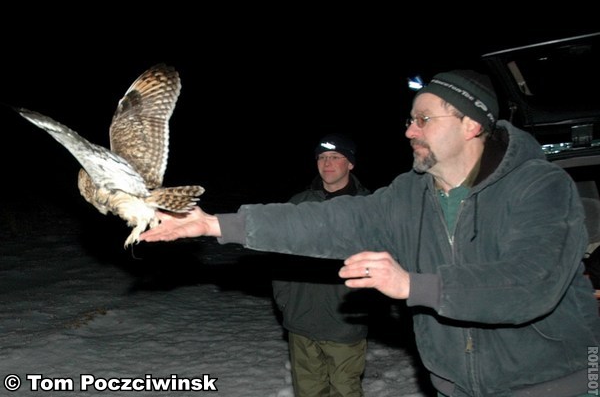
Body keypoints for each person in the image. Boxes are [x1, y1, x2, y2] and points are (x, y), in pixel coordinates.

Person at [140, 70, 600, 396]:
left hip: (560, 381)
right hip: (458, 386)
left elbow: (530, 283)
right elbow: (327, 220)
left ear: (471, 124)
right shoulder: (409, 195)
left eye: (424, 119)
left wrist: (411, 285)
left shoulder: (539, 186)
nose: (409, 131)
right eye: (409, 120)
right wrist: (213, 223)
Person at [272, 134, 371, 397]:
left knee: (345, 390)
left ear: (350, 163)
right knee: (308, 391)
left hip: (345, 322)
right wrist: (285, 299)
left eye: (335, 157)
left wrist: (365, 306)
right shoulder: (298, 203)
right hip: (301, 319)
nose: (327, 163)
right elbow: (279, 256)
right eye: (322, 157)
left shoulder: (370, 207)